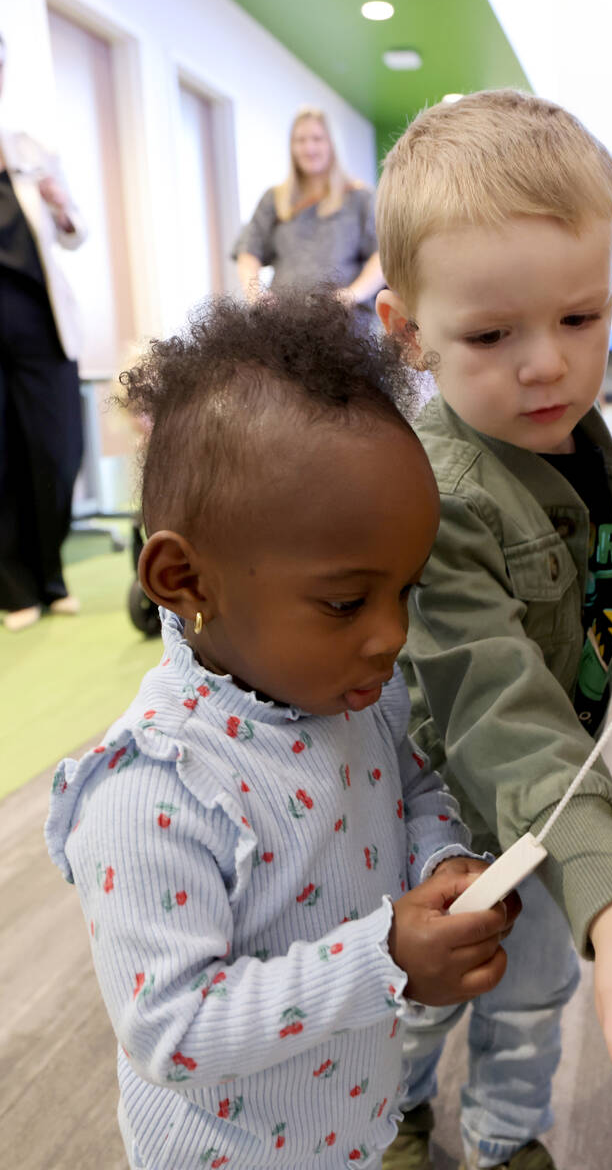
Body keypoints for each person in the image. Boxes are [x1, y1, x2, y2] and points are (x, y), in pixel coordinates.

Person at [44, 290, 520, 1170]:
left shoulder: (350, 692)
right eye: (346, 601)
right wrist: (380, 958)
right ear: (184, 578)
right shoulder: (153, 787)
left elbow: (412, 788)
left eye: (404, 592)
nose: (392, 635)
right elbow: (173, 1031)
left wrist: (440, 859)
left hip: (349, 1127)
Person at [373, 90, 612, 1170]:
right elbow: (493, 704)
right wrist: (611, 891)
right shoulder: (438, 495)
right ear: (407, 333)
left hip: (554, 809)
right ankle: (395, 1118)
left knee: (536, 995)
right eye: (490, 334)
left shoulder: (566, 428)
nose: (547, 366)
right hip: (454, 821)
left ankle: (509, 1136)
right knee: (427, 1001)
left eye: (576, 319)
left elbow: (581, 552)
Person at [0, 30, 86, 632]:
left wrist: (61, 206)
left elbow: (75, 232)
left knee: (56, 451)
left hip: (40, 325)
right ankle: (14, 586)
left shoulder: (27, 147)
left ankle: (51, 572)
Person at [233, 106, 385, 331]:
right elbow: (247, 252)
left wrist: (352, 295)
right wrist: (256, 295)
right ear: (292, 147)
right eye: (300, 140)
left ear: (331, 144)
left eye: (317, 138)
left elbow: (382, 257)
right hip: (285, 327)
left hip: (346, 327)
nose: (309, 147)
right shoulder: (274, 198)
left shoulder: (360, 198)